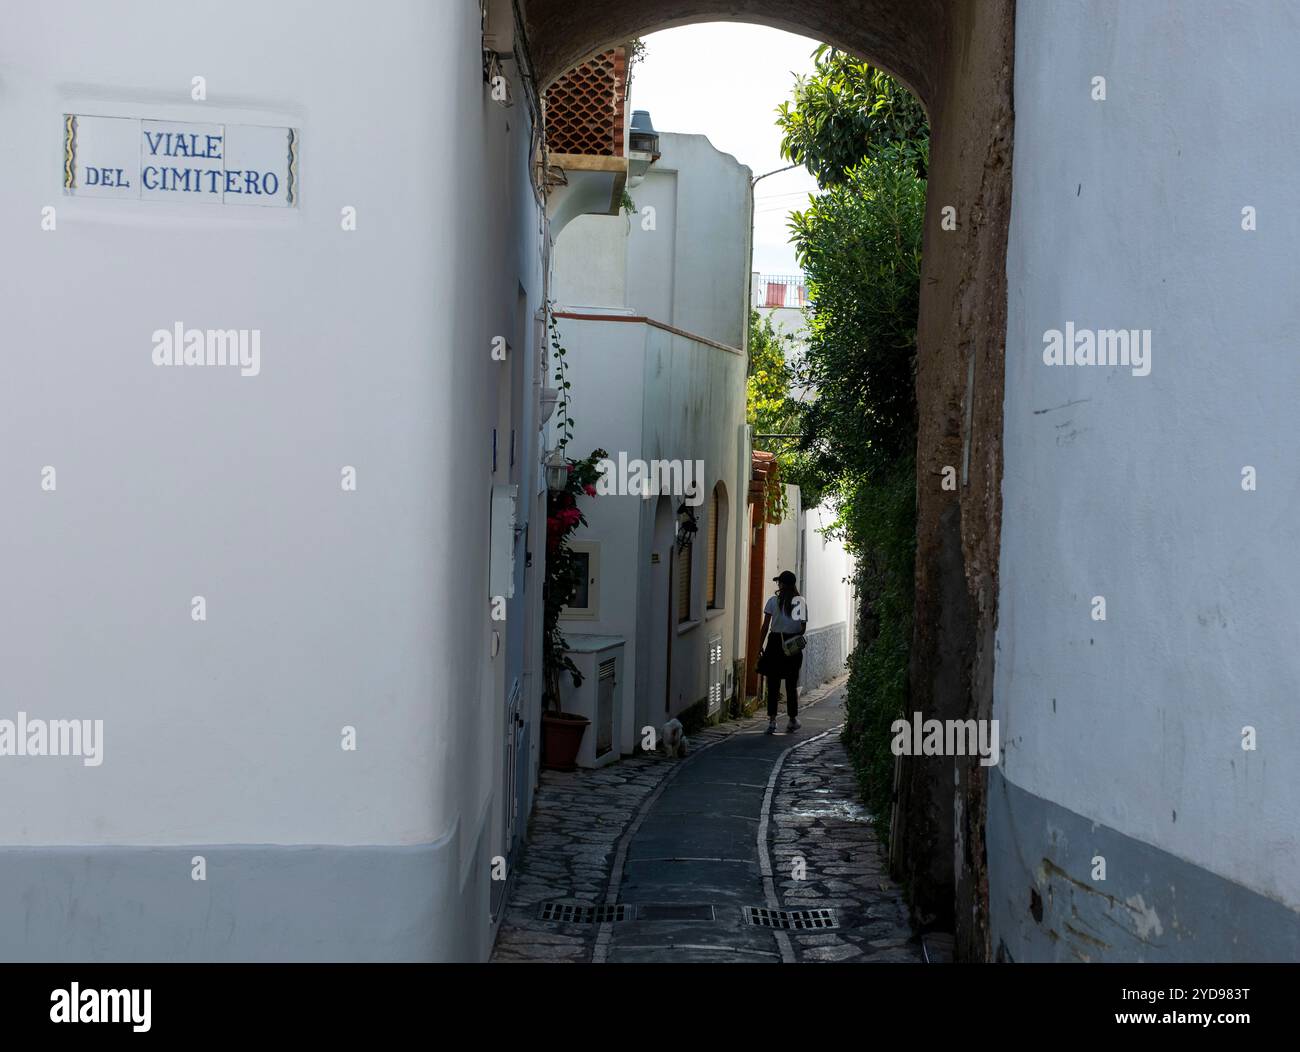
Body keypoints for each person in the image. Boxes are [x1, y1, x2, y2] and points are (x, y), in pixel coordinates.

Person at [755, 570, 807, 734]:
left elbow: (765, 627)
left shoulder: (773, 601)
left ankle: (772, 721)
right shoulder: (800, 602)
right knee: (791, 683)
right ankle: (792, 719)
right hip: (792, 645)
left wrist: (759, 646)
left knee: (773, 683)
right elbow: (802, 628)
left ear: (782, 585)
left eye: (779, 582)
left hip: (775, 644)